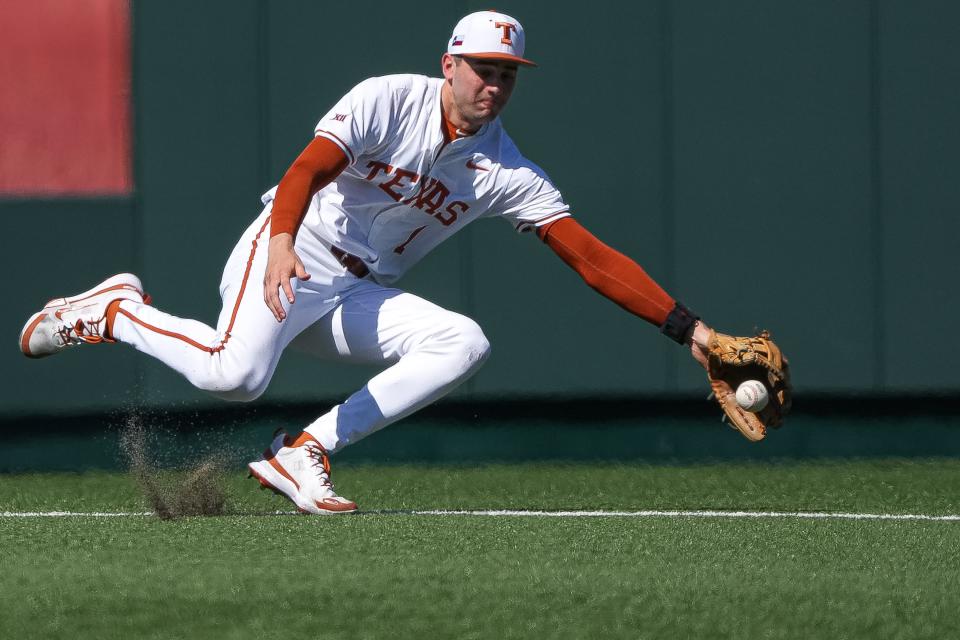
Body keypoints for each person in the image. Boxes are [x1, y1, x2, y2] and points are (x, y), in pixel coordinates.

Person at [20, 10, 716, 514]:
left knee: (463, 341)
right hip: (291, 249)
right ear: (450, 63)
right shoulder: (388, 98)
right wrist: (284, 241)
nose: (494, 86)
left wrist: (691, 331)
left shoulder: (506, 169)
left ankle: (304, 449)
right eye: (483, 69)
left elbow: (590, 256)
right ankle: (117, 311)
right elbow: (305, 169)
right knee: (235, 375)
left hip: (358, 290)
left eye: (507, 75)